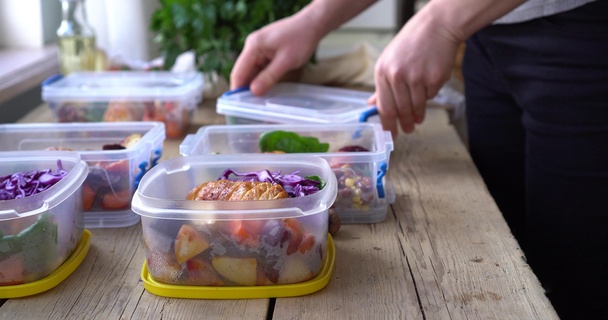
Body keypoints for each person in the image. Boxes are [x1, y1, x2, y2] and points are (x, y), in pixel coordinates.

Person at [230, 0, 608, 318]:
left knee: (578, 274)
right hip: (485, 33)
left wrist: (442, 19)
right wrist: (312, 20)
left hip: (583, 37)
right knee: (516, 253)